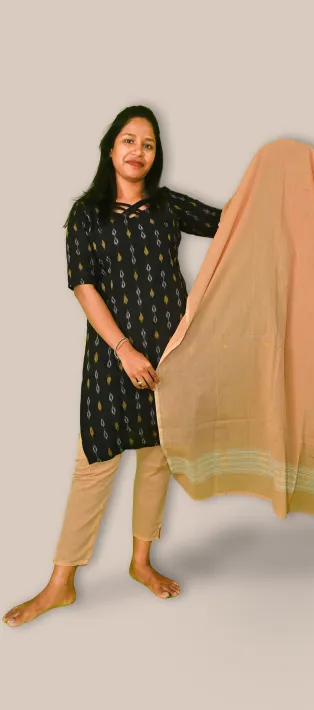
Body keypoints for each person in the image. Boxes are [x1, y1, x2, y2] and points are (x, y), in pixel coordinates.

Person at [3, 105, 223, 627]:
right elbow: (83, 285)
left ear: (156, 154)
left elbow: (232, 224)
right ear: (110, 148)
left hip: (172, 354)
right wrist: (124, 349)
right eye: (129, 140)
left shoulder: (168, 206)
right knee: (95, 461)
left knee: (158, 456)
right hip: (113, 357)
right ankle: (60, 583)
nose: (137, 151)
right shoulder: (87, 214)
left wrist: (273, 179)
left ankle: (141, 562)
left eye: (148, 144)